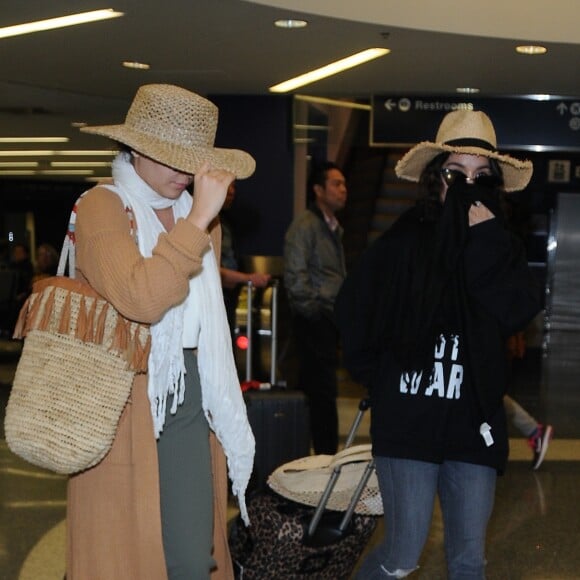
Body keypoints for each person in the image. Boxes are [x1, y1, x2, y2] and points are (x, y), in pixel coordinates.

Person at [335, 110, 540, 579]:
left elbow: (516, 311)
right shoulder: (405, 239)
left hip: (475, 426)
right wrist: (380, 378)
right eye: (456, 174)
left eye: (480, 177)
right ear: (436, 178)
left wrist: (484, 238)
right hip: (408, 422)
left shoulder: (500, 245)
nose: (468, 185)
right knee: (401, 556)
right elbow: (353, 308)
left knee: (469, 560)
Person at [66, 84, 256, 579]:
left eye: (192, 160)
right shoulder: (102, 206)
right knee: (123, 553)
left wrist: (196, 220)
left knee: (193, 559)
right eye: (172, 157)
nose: (183, 172)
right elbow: (142, 299)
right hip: (120, 392)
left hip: (189, 390)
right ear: (133, 148)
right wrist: (195, 219)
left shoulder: (201, 220)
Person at [284, 161, 347, 455]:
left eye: (343, 184)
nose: (343, 189)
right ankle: (324, 458)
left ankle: (325, 455)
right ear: (318, 190)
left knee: (323, 392)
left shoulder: (331, 227)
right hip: (314, 319)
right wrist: (314, 311)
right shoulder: (306, 226)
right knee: (320, 393)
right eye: (336, 184)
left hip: (327, 317)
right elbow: (295, 275)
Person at [219, 180, 271, 339]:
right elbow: (209, 269)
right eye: (227, 184)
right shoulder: (202, 220)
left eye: (234, 186)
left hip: (227, 296)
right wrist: (248, 278)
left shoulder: (225, 221)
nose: (232, 191)